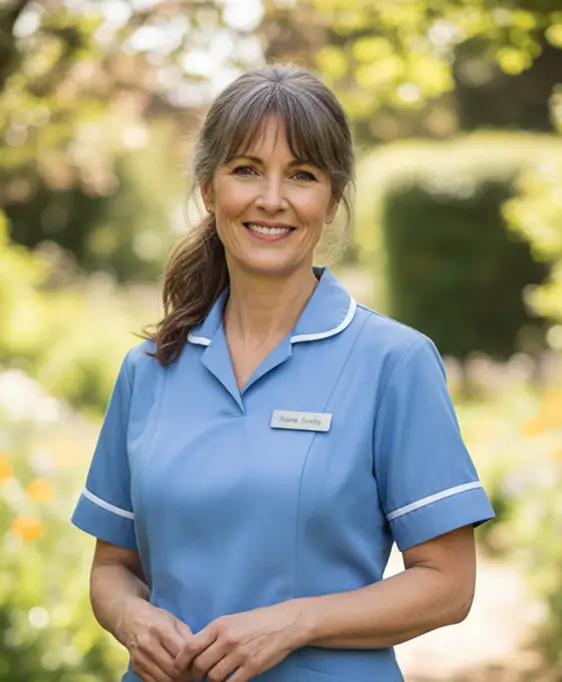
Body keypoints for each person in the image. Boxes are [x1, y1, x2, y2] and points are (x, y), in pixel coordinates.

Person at [71, 64, 495, 682]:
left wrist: (296, 622)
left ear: (332, 199)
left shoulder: (392, 362)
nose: (272, 199)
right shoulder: (149, 369)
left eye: (301, 175)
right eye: (246, 170)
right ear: (209, 188)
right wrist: (133, 622)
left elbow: (449, 585)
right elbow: (112, 569)